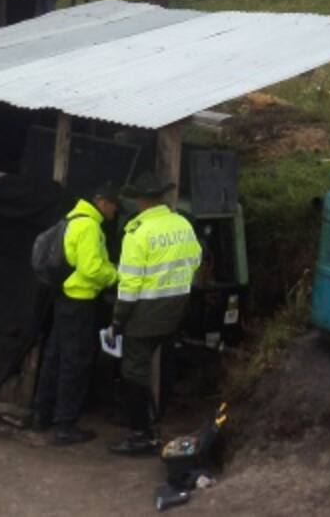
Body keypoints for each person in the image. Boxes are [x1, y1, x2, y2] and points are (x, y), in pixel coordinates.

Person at [106, 171, 202, 456]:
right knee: (162, 360)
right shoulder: (182, 223)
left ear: (140, 201)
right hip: (176, 309)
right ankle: (156, 420)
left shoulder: (138, 233)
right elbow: (195, 259)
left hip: (145, 313)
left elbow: (130, 283)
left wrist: (117, 320)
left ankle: (142, 435)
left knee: (133, 372)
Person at [31, 182, 120, 445]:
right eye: (114, 205)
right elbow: (92, 268)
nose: (115, 211)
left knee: (54, 358)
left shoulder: (73, 218)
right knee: (75, 363)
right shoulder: (90, 227)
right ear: (103, 202)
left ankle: (41, 415)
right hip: (79, 301)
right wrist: (116, 274)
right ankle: (65, 424)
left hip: (63, 298)